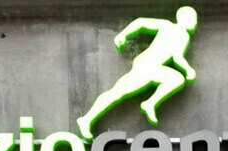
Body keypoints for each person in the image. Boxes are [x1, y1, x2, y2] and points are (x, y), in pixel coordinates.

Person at [77, 7, 198, 141]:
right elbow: (141, 22)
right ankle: (86, 120)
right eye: (192, 18)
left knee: (176, 79)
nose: (194, 22)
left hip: (156, 68)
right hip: (146, 65)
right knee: (117, 93)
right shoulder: (167, 26)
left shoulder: (184, 37)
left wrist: (187, 70)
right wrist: (124, 35)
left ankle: (150, 103)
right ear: (182, 18)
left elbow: (177, 57)